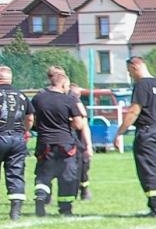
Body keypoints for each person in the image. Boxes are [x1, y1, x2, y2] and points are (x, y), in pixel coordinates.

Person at [116, 56, 156, 215]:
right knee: (153, 167)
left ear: (135, 67)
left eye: (129, 71)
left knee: (147, 170)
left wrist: (120, 133)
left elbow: (134, 110)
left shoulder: (141, 85)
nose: (130, 75)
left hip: (147, 131)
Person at [27, 67, 86, 217]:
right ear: (63, 83)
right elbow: (79, 124)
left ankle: (41, 197)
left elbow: (32, 119)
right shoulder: (68, 100)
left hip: (44, 143)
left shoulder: (38, 98)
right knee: (67, 176)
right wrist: (68, 122)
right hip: (65, 144)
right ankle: (65, 209)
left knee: (43, 174)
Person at [0, 66, 27, 220]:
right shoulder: (21, 95)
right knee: (16, 173)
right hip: (17, 138)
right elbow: (29, 118)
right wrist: (25, 131)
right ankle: (16, 211)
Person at [69, 84, 92, 202]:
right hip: (71, 142)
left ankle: (84, 191)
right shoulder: (71, 102)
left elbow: (84, 126)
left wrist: (88, 145)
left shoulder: (76, 104)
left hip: (78, 142)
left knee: (83, 168)